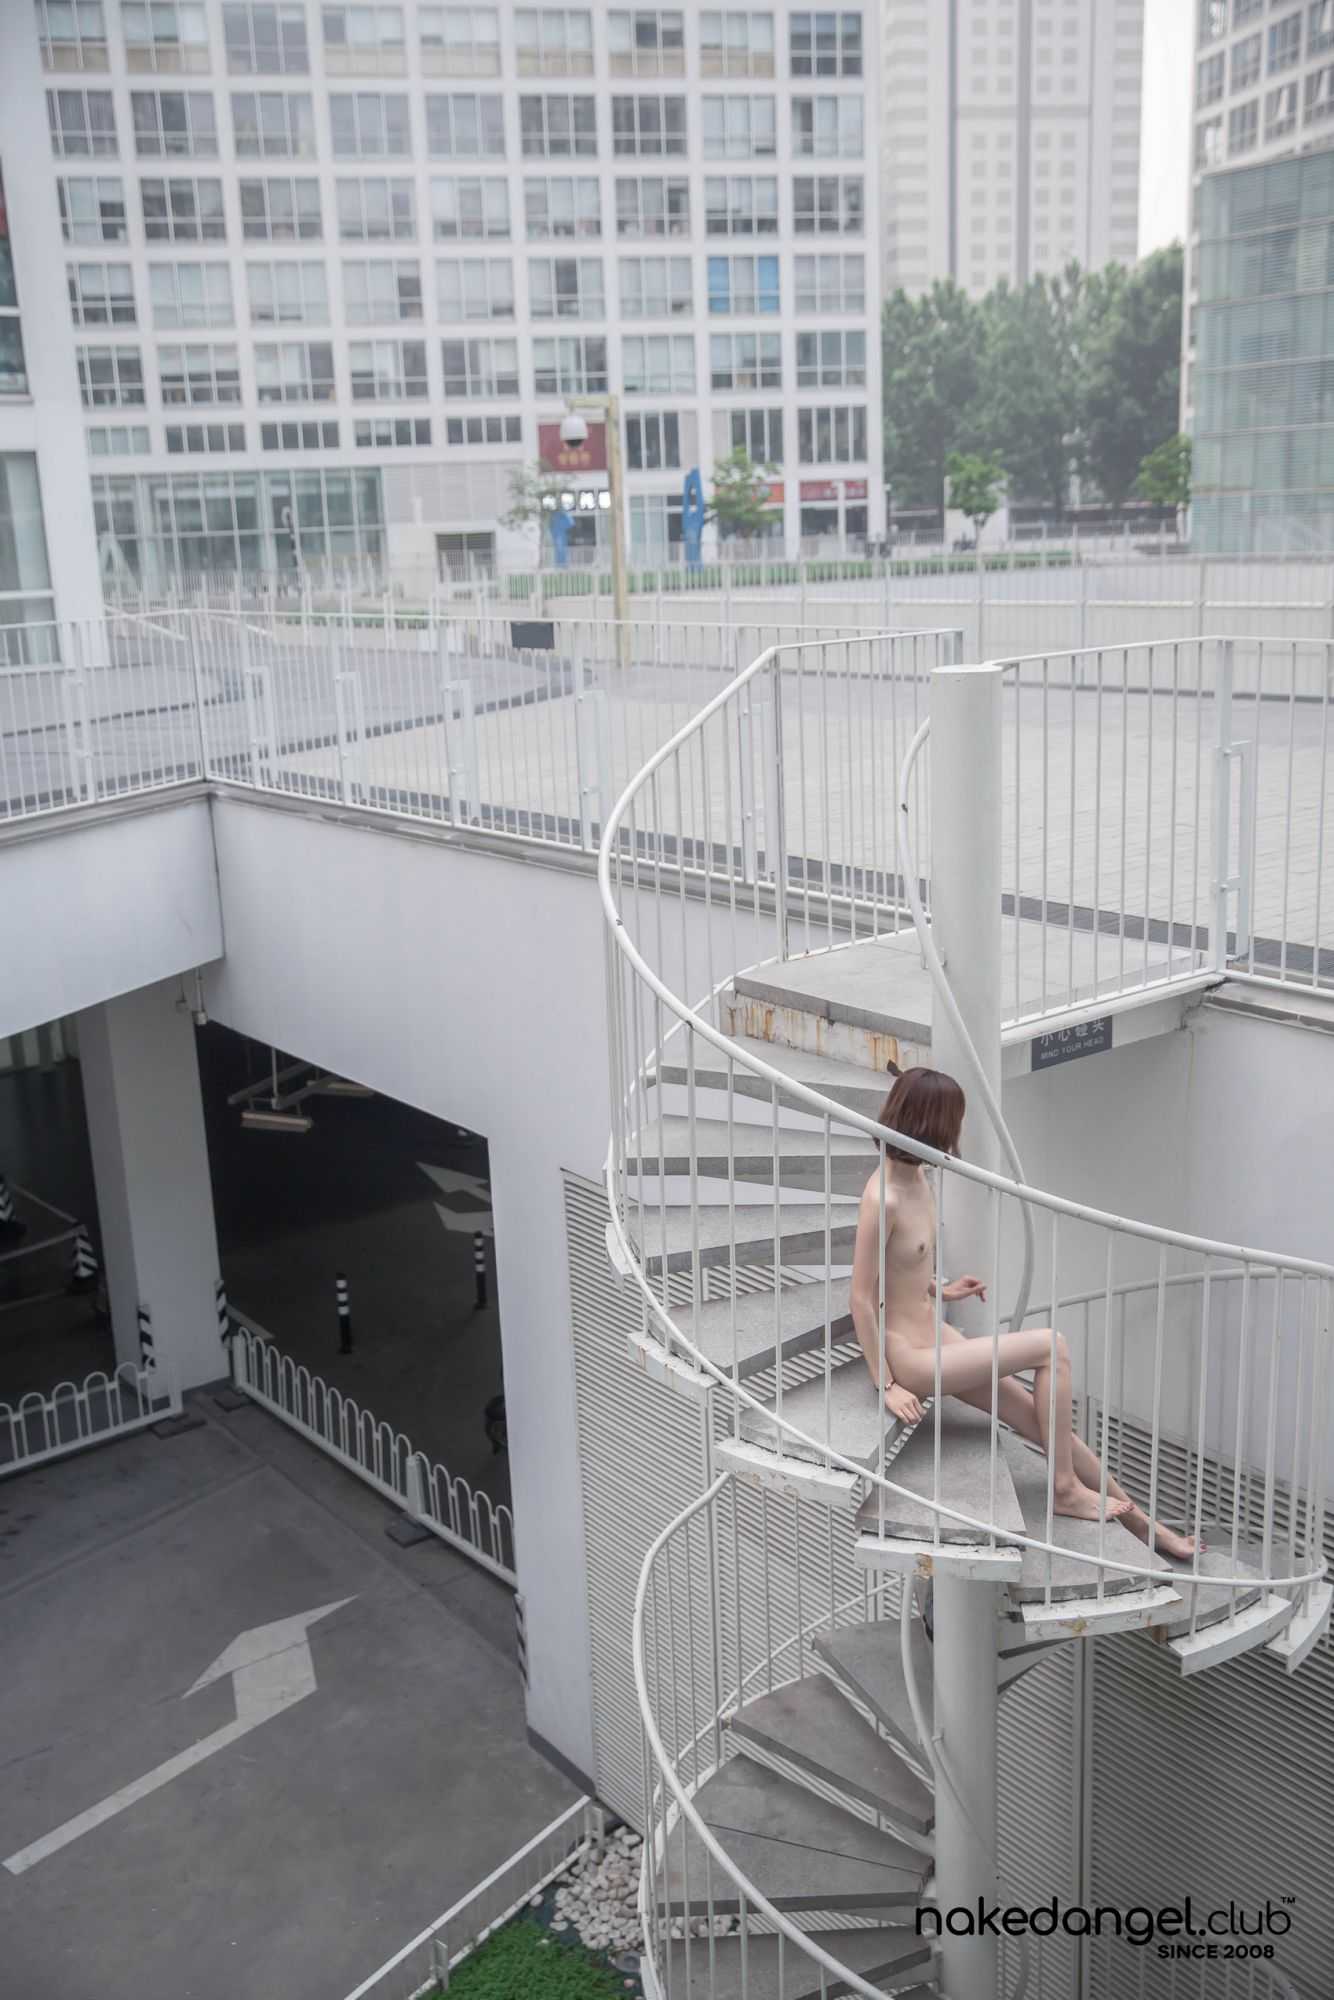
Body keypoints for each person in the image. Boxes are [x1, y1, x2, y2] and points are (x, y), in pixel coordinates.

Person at [849, 1065, 1197, 1562]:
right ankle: (1064, 1489)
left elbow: (901, 1265)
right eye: (954, 1121)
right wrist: (887, 1383)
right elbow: (861, 1297)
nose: (958, 1133)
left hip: (936, 1334)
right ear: (931, 1123)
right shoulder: (881, 1198)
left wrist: (941, 1289)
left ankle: (1146, 1526)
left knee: (1045, 1424)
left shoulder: (920, 1176)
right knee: (1051, 1346)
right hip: (912, 1360)